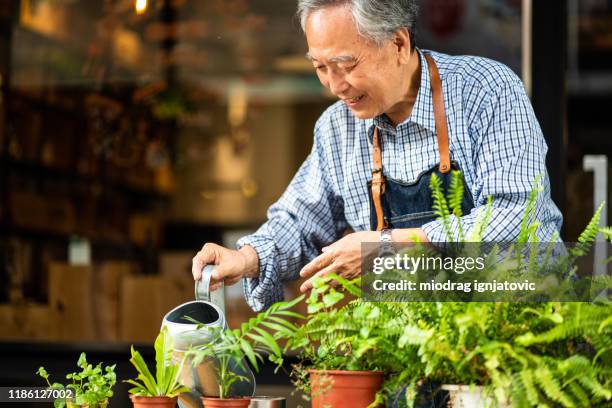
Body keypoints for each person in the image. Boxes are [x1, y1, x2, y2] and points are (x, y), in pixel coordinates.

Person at [192, 0, 562, 313]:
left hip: (516, 336)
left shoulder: (484, 91)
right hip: (409, 348)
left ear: (399, 44)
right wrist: (246, 259)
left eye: (347, 65)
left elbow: (517, 217)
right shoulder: (338, 128)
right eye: (321, 68)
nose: (335, 86)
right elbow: (301, 221)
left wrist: (385, 248)